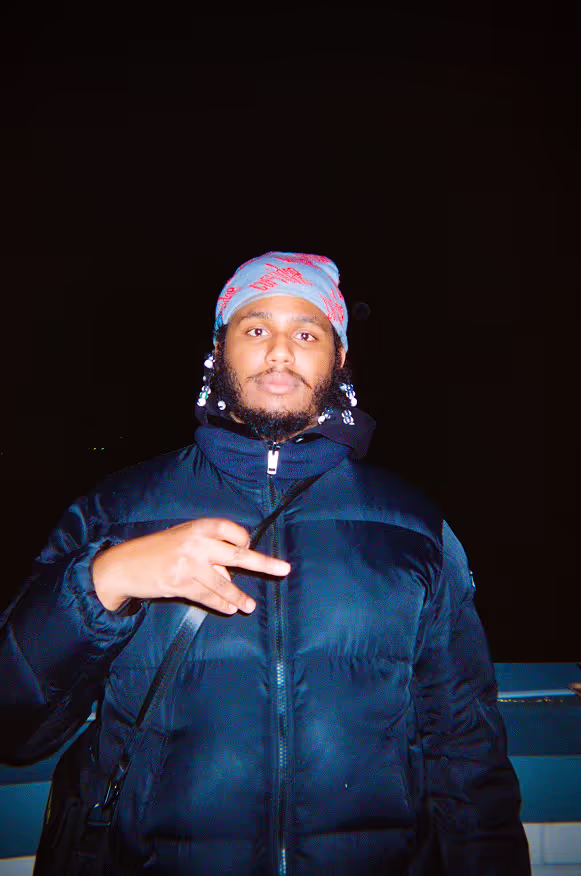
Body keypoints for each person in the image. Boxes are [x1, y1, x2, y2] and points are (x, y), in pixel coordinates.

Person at [0, 252, 530, 874]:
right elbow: (15, 727)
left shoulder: (413, 528)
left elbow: (467, 751)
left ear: (339, 359)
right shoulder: (113, 512)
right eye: (255, 329)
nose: (280, 351)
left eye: (306, 334)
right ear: (218, 350)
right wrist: (103, 580)